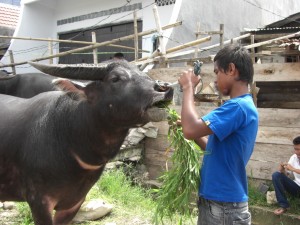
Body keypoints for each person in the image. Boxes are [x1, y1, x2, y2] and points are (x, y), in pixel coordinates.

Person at [178, 45, 259, 225]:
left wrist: (188, 87)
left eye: (217, 73)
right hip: (220, 205)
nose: (215, 80)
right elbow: (211, 148)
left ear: (231, 69)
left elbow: (190, 129)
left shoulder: (237, 107)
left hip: (223, 208)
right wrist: (194, 133)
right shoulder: (241, 107)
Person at [272, 136, 300, 215]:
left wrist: (293, 169)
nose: (296, 152)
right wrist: (282, 170)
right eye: (295, 149)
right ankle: (284, 206)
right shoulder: (294, 157)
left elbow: (292, 169)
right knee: (276, 175)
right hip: (297, 188)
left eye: (299, 149)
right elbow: (288, 174)